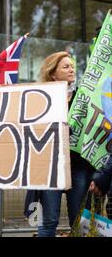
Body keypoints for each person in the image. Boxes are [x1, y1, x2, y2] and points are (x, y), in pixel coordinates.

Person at [33, 51, 96, 237]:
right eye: (66, 66)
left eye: (72, 66)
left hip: (79, 167)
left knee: (80, 222)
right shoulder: (40, 99)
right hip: (50, 168)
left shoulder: (81, 99)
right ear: (53, 73)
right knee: (48, 221)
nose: (72, 70)